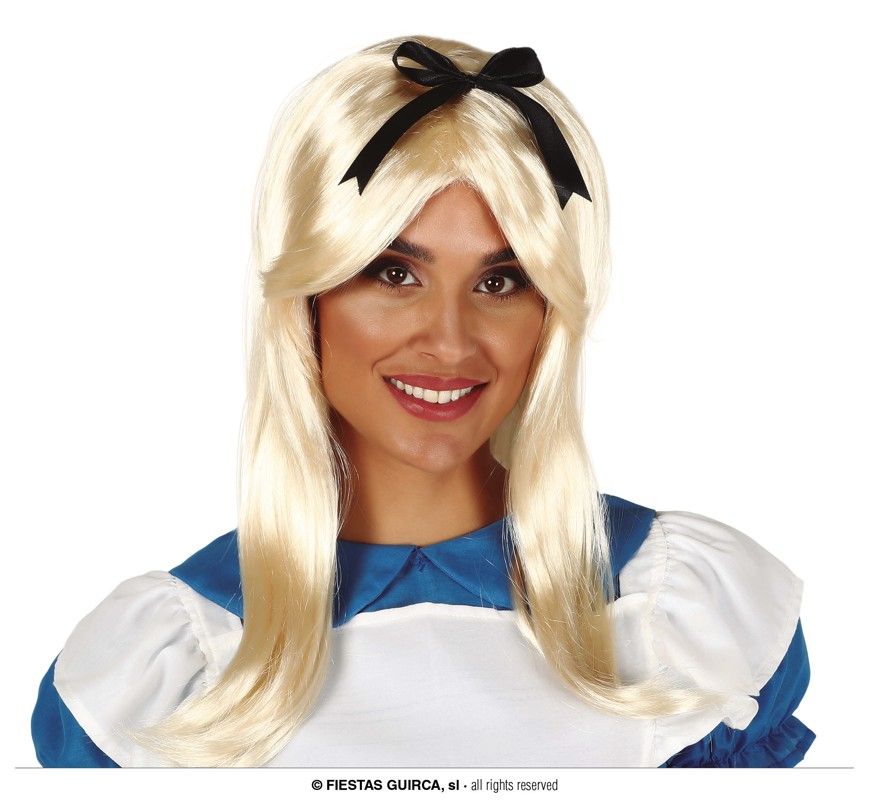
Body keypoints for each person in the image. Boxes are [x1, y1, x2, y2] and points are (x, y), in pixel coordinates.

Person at [31, 35, 814, 768]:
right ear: (307, 299)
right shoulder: (172, 664)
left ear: (550, 314)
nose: (449, 341)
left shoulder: (678, 611)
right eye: (394, 273)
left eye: (500, 281)